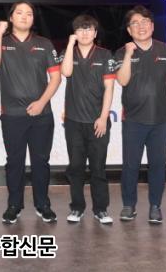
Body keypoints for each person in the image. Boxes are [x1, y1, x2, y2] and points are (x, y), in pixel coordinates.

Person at [0, 1, 62, 224]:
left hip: (42, 114)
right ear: (11, 17)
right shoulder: (2, 43)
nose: (24, 16)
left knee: (41, 161)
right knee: (14, 162)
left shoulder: (44, 44)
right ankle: (14, 205)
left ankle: (43, 204)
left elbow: (56, 78)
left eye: (29, 13)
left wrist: (41, 102)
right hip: (12, 115)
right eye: (19, 13)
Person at [114, 5, 166, 224]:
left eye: (145, 22)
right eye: (135, 23)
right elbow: (122, 80)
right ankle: (129, 205)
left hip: (160, 120)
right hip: (133, 120)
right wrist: (128, 54)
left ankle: (155, 206)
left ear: (152, 26)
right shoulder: (121, 52)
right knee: (130, 165)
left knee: (158, 165)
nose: (141, 26)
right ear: (129, 30)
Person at [60, 14, 116, 224]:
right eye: (80, 29)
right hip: (74, 121)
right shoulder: (68, 52)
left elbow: (109, 88)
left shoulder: (105, 55)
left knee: (98, 168)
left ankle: (101, 209)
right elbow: (66, 72)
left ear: (95, 33)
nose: (85, 33)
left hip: (97, 121)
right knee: (75, 167)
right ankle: (77, 207)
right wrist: (69, 45)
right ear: (75, 33)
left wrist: (103, 117)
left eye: (89, 29)